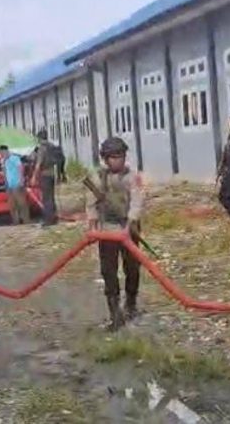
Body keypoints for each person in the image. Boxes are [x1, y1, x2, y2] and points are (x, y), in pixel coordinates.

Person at [84, 137, 145, 331]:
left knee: (132, 268)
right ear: (105, 159)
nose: (117, 160)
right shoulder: (99, 178)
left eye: (120, 156)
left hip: (128, 228)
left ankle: (131, 304)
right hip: (108, 230)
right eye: (113, 157)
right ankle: (114, 312)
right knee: (108, 271)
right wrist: (92, 226)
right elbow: (91, 203)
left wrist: (130, 224)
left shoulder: (131, 177)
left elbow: (137, 201)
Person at [30, 129, 60, 227]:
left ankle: (48, 220)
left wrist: (34, 177)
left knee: (46, 198)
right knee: (51, 197)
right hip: (52, 173)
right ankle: (54, 218)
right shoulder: (51, 146)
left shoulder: (41, 149)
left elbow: (38, 164)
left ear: (39, 138)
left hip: (45, 174)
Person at [0, 145, 30, 224]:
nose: (1, 155)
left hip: (17, 183)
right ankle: (15, 221)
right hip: (10, 184)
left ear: (5, 151)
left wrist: (21, 179)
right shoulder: (4, 161)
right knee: (12, 204)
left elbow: (20, 167)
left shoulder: (14, 158)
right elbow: (5, 172)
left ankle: (26, 220)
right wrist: (6, 182)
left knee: (21, 202)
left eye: (2, 153)